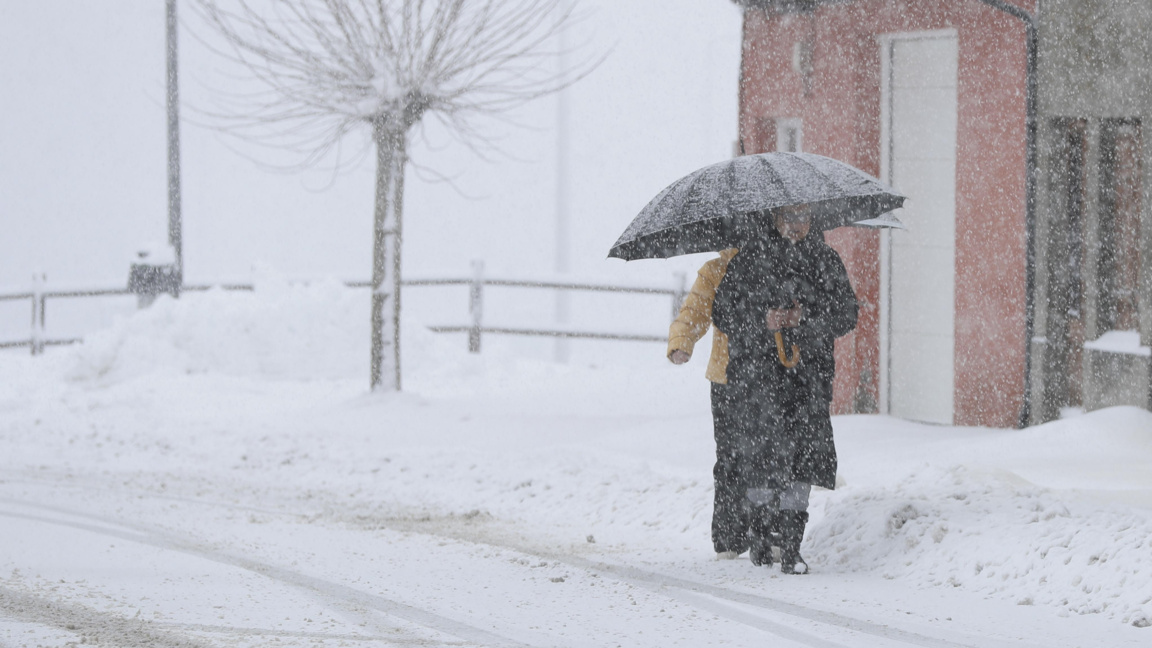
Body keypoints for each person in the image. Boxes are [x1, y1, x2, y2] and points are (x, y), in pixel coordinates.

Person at [670, 204, 857, 573]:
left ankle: (790, 541)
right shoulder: (749, 261)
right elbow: (722, 311)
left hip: (808, 381)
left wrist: (803, 318)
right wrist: (763, 319)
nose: (796, 225)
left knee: (802, 461)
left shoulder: (824, 260)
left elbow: (845, 313)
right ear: (774, 218)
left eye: (803, 217)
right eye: (789, 217)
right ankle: (756, 533)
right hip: (758, 381)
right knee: (756, 460)